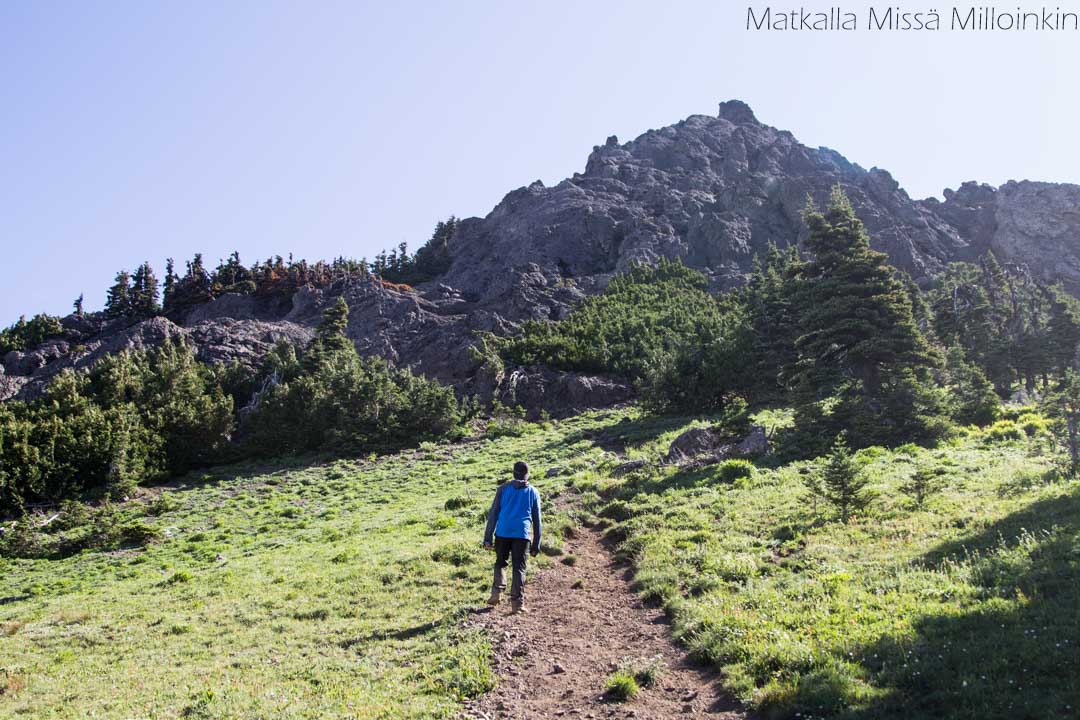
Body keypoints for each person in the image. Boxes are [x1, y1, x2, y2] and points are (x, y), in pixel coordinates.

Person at [482, 460, 542, 614]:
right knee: (519, 568)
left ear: (513, 473)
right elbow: (537, 520)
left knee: (501, 562)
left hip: (502, 532)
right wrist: (536, 543)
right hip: (522, 534)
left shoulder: (502, 489)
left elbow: (493, 513)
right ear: (527, 475)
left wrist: (487, 538)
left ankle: (496, 593)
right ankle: (517, 604)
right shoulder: (533, 492)